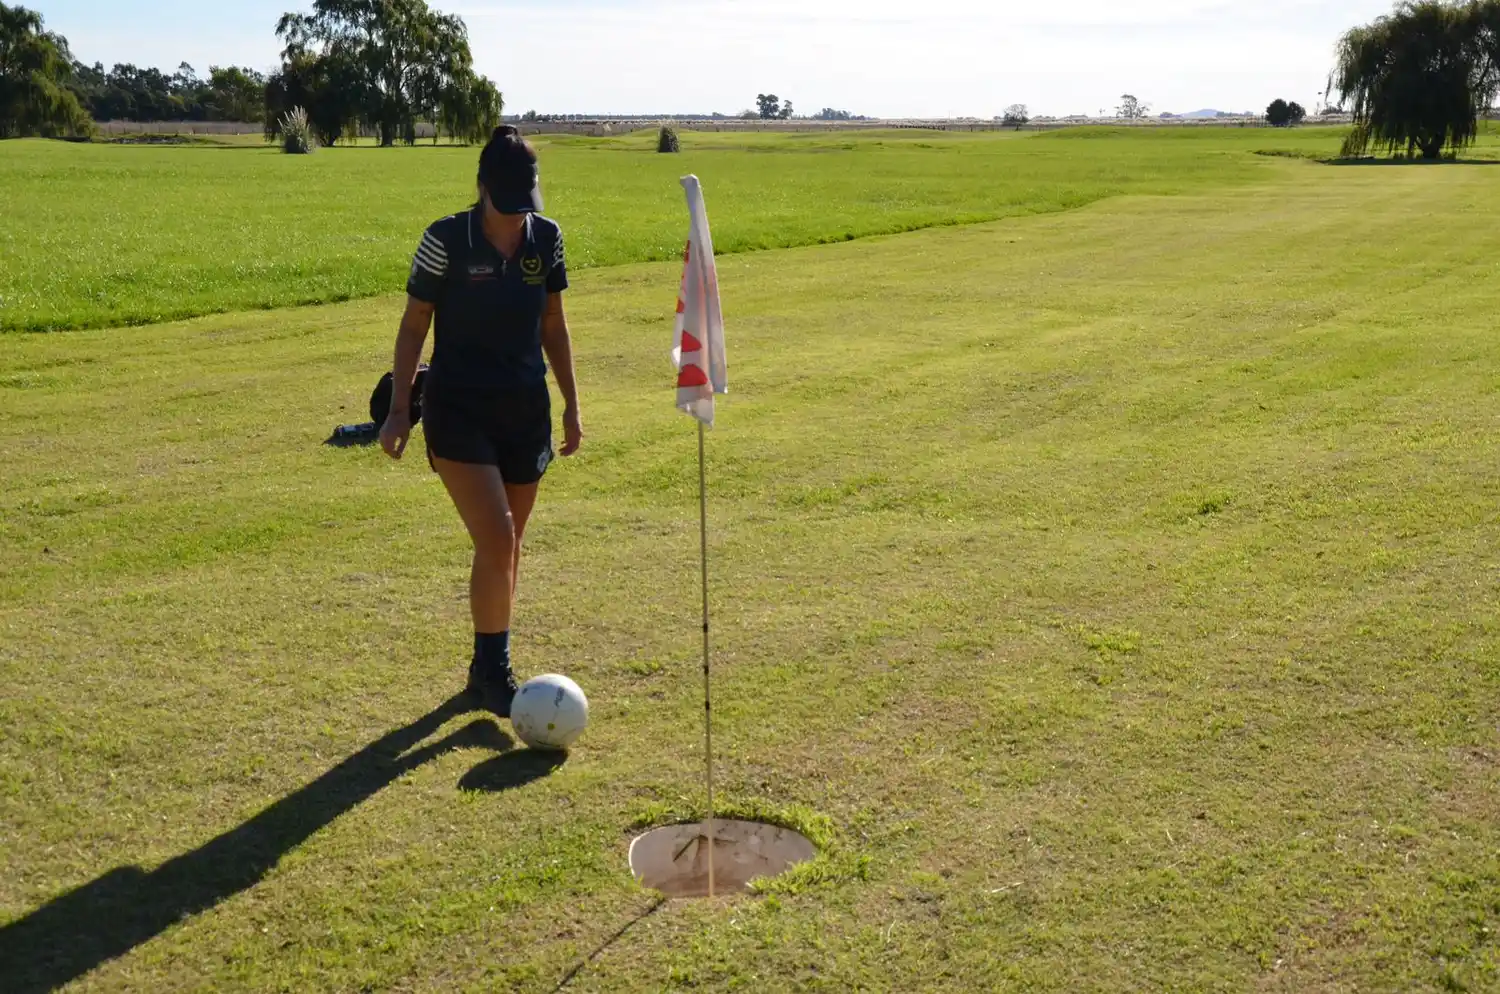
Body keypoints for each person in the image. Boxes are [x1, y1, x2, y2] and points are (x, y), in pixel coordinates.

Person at [379, 125, 583, 719]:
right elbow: (415, 324)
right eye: (507, 204)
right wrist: (397, 411)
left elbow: (553, 324)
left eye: (527, 205)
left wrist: (572, 402)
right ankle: (496, 673)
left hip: (525, 411)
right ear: (482, 188)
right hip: (457, 408)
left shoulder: (547, 239)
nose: (518, 218)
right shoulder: (446, 240)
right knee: (496, 538)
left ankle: (482, 664)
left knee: (508, 547)